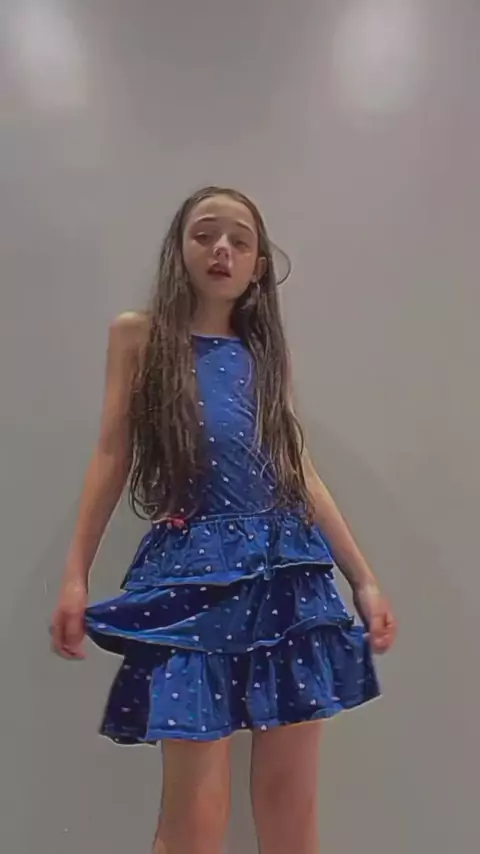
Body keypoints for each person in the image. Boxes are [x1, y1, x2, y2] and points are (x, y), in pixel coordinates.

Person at [51, 185, 396, 854]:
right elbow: (112, 453)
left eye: (240, 241)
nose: (222, 250)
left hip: (287, 579)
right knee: (194, 821)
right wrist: (74, 574)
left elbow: (298, 468)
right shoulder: (139, 337)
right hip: (192, 581)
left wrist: (364, 578)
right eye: (205, 233)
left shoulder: (263, 351)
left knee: (290, 809)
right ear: (178, 249)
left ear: (258, 265)